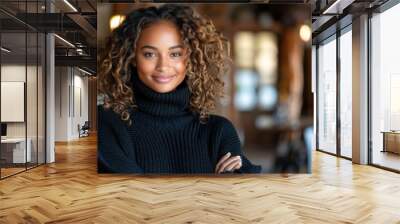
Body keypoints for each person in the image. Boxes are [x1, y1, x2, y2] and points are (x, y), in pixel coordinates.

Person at [98, 4, 261, 174]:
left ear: (190, 58)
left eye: (175, 54)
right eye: (149, 54)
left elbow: (241, 196)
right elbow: (127, 197)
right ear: (131, 58)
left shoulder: (218, 131)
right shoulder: (108, 122)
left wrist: (237, 183)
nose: (163, 66)